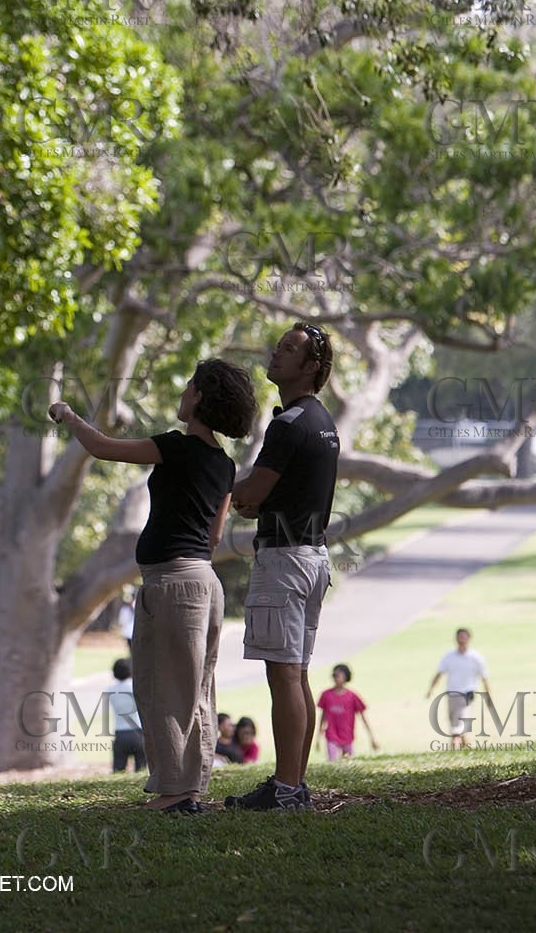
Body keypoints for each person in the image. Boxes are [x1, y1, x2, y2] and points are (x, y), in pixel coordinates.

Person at [50, 358, 256, 814]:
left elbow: (103, 448)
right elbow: (215, 536)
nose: (183, 392)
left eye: (189, 385)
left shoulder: (175, 447)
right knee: (197, 689)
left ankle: (174, 794)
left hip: (172, 586)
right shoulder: (223, 465)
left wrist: (66, 413)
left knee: (163, 687)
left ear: (200, 397)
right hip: (205, 583)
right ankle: (190, 787)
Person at [225, 322, 339, 812]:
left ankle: (288, 789)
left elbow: (248, 493)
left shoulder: (289, 423)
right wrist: (258, 500)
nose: (277, 352)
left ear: (312, 367)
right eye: (279, 344)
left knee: (284, 676)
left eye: (290, 349)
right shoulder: (322, 421)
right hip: (312, 557)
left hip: (284, 561)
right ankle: (293, 783)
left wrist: (246, 500)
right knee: (298, 674)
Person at [426, 628, 492, 749]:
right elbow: (439, 673)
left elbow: (484, 678)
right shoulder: (449, 656)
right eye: (459, 637)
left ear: (469, 639)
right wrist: (430, 689)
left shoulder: (476, 658)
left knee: (457, 727)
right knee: (456, 724)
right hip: (452, 695)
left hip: (467, 695)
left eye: (464, 637)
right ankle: (466, 748)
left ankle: (454, 751)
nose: (461, 640)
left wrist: (488, 696)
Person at [317, 664, 377, 760]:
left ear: (346, 677)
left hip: (347, 735)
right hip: (331, 735)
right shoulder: (326, 695)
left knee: (348, 761)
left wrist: (371, 738)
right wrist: (318, 737)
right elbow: (323, 717)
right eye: (334, 675)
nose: (336, 678)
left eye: (339, 675)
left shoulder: (352, 696)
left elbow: (363, 718)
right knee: (332, 761)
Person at [107, 658, 145, 774]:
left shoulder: (110, 690)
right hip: (138, 732)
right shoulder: (136, 687)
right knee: (141, 771)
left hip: (120, 733)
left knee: (118, 770)